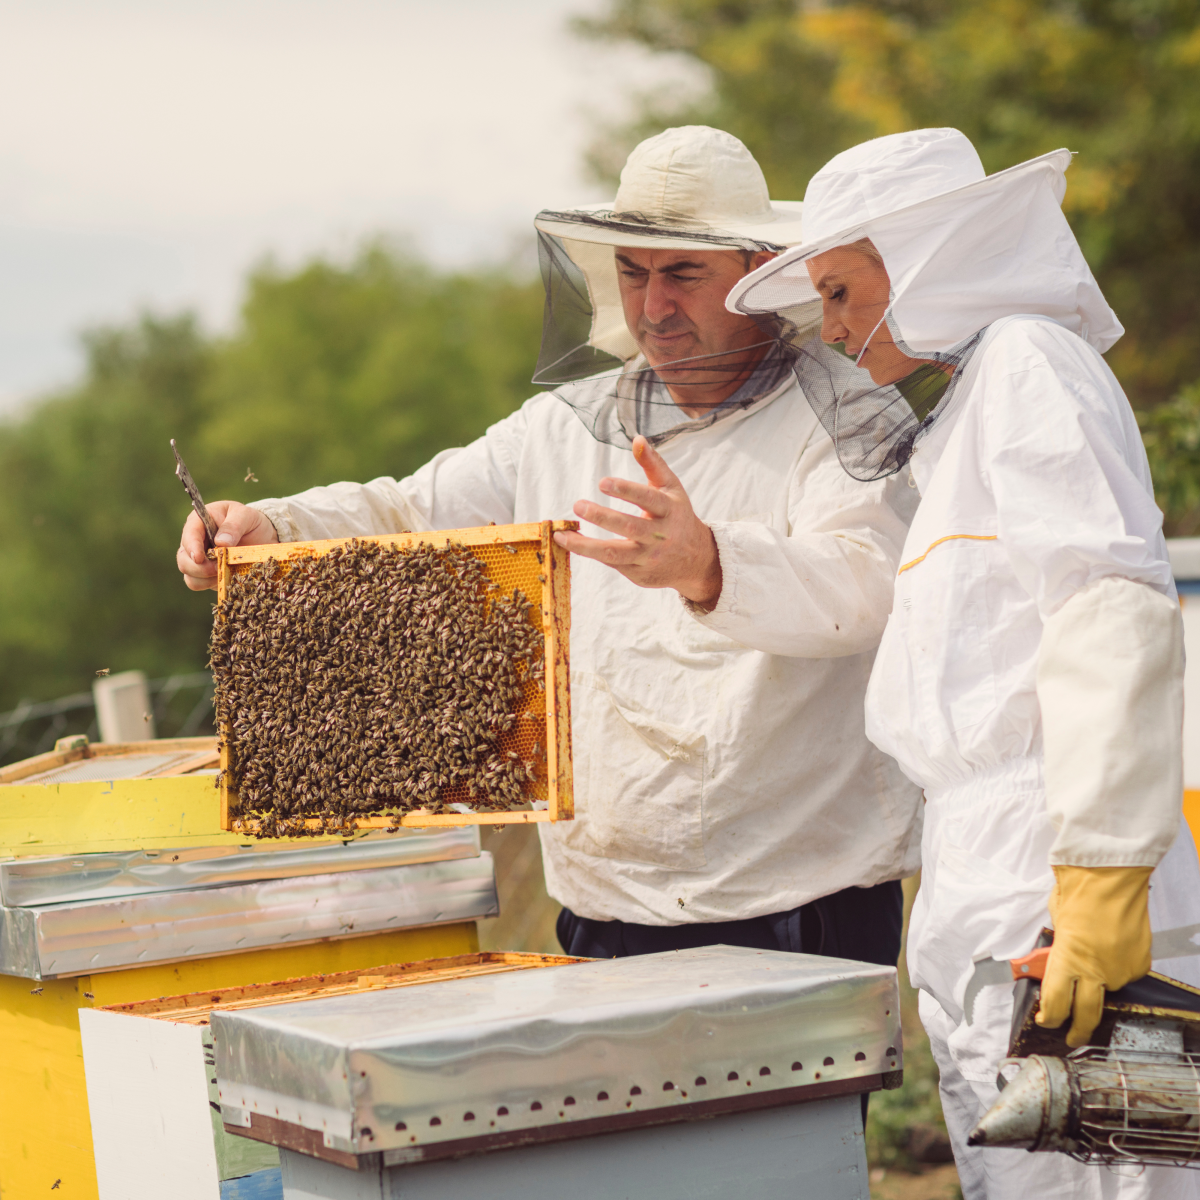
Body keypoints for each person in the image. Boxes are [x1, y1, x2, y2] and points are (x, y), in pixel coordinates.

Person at [178, 125, 922, 969]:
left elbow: (868, 590)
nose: (653, 306)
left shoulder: (848, 419)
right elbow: (413, 509)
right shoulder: (565, 425)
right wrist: (271, 527)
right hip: (601, 902)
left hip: (794, 902)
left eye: (682, 273)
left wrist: (710, 564)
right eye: (633, 273)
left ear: (756, 273)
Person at [727, 126, 1200, 1198]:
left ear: (932, 258)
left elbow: (1107, 605)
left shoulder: (1035, 364)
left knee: (1105, 1183)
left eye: (845, 293)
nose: (837, 333)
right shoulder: (965, 419)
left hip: (1048, 862)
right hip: (988, 867)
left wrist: (1099, 870)